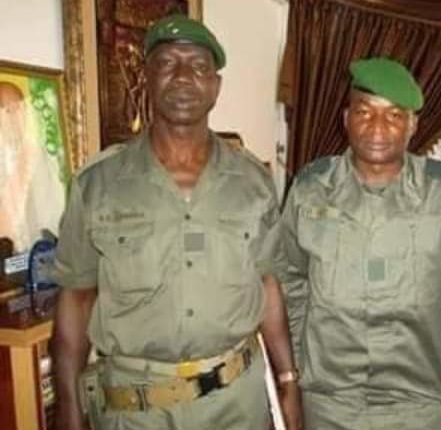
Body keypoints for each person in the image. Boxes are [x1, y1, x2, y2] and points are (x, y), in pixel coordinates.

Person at [51, 15, 301, 430]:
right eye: (167, 63)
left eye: (199, 66)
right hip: (135, 410)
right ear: (146, 78)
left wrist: (288, 381)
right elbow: (75, 298)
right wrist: (69, 409)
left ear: (215, 87)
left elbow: (267, 284)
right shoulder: (97, 184)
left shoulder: (253, 181)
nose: (183, 76)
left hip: (236, 405)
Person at [280, 57, 441, 429]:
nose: (377, 127)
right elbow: (289, 279)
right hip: (329, 399)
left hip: (416, 397)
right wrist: (295, 370)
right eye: (364, 112)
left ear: (412, 125)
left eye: (393, 115)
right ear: (346, 119)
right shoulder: (309, 189)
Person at [0, 81, 65, 251]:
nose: (16, 118)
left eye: (20, 109)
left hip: (36, 254)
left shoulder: (40, 156)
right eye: (8, 111)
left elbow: (54, 214)